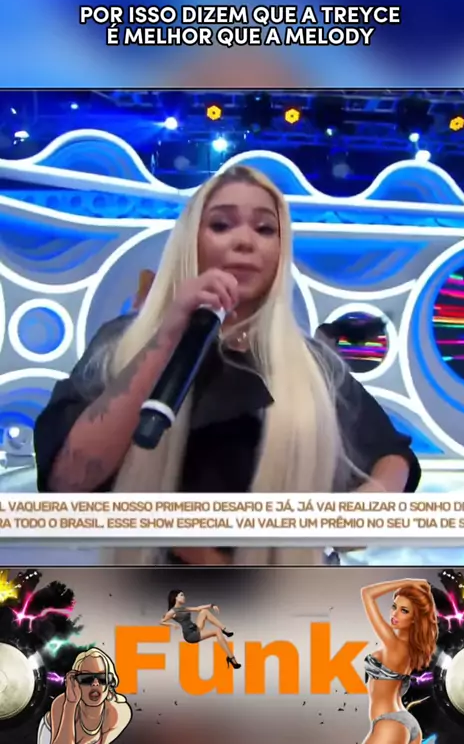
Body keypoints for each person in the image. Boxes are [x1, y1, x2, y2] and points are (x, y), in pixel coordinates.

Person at [34, 164, 421, 566]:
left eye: (265, 229)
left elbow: (392, 453)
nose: (244, 242)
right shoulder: (123, 344)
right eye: (221, 225)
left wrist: (367, 506)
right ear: (191, 241)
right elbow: (67, 480)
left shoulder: (312, 365)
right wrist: (168, 337)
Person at [361, 579, 438, 743]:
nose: (394, 614)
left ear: (414, 618)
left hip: (390, 724)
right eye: (394, 606)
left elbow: (367, 593)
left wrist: (408, 582)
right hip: (402, 722)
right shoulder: (411, 648)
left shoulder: (395, 645)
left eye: (404, 611)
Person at [37, 648, 132, 743]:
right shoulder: (61, 704)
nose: (95, 684)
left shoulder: (119, 713)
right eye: (86, 679)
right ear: (75, 681)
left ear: (110, 682)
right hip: (51, 733)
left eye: (102, 678)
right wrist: (70, 704)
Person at [161, 589, 241, 668]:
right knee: (217, 631)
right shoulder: (172, 611)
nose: (184, 597)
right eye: (181, 595)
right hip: (190, 635)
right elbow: (162, 621)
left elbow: (198, 608)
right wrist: (171, 624)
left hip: (195, 628)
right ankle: (232, 659)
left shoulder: (182, 608)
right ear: (175, 597)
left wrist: (212, 605)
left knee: (204, 611)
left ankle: (224, 629)